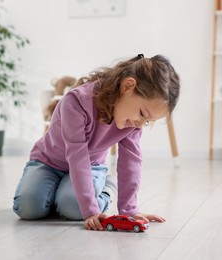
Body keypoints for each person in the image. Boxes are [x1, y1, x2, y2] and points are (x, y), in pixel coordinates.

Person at [13, 54, 180, 231]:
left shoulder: (132, 124)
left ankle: (106, 188)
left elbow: (131, 162)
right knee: (28, 206)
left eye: (147, 121)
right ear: (128, 86)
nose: (140, 124)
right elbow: (77, 156)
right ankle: (59, 195)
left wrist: (129, 210)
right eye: (142, 113)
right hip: (48, 162)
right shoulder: (76, 102)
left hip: (90, 166)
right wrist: (90, 209)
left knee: (74, 207)